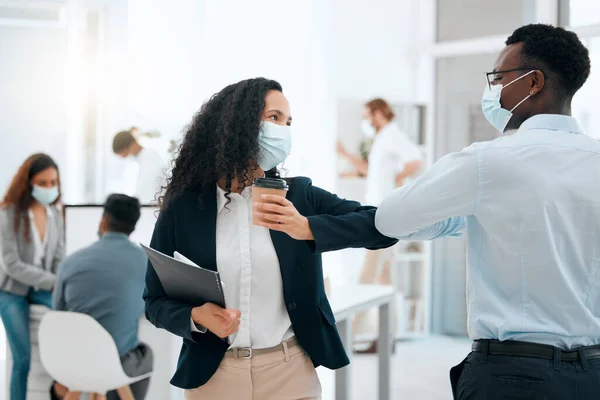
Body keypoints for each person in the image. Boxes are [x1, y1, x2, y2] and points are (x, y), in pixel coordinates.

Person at [375, 24, 600, 399]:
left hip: (513, 377)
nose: (492, 89)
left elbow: (390, 218)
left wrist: (462, 218)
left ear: (533, 83)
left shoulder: (488, 161)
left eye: (498, 77)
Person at [143, 77, 397, 400]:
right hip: (214, 378)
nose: (284, 130)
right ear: (238, 124)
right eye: (274, 118)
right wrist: (195, 317)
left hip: (290, 373)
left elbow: (382, 228)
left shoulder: (300, 197)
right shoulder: (185, 207)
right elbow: (154, 301)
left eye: (289, 122)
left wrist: (308, 228)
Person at [337, 99, 423, 352]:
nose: (366, 121)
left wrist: (396, 181)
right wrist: (345, 155)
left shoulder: (393, 134)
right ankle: (387, 339)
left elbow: (415, 160)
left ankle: (347, 336)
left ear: (377, 113)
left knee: (367, 276)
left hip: (384, 217)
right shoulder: (382, 139)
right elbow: (370, 172)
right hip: (377, 213)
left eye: (367, 116)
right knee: (384, 281)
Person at [50, 194, 153, 400]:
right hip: (116, 369)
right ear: (133, 227)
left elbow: (58, 313)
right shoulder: (147, 263)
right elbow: (147, 307)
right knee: (145, 352)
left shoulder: (70, 262)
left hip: (74, 365)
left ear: (103, 220)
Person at [0, 153, 65, 400]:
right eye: (43, 183)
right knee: (22, 360)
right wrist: (52, 282)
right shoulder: (8, 213)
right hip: (10, 291)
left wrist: (58, 282)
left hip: (42, 288)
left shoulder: (55, 215)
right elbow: (11, 264)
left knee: (68, 325)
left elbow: (59, 257)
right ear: (28, 183)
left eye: (53, 182)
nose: (49, 188)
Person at [112, 128, 165, 204]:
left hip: (150, 205)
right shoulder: (139, 159)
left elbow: (149, 188)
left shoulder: (150, 155)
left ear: (131, 145)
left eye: (125, 154)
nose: (126, 157)